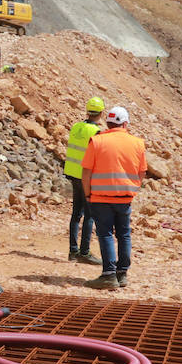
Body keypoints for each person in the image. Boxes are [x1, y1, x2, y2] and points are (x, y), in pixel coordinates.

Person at [81, 106, 146, 289]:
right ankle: (122, 274)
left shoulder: (97, 141)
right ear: (125, 123)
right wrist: (133, 190)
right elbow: (142, 172)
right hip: (125, 197)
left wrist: (87, 194)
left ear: (108, 123)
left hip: (100, 197)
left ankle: (109, 275)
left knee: (105, 234)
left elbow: (86, 172)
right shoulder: (138, 143)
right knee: (124, 234)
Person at [63, 96, 105, 265]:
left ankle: (73, 251)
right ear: (101, 113)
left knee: (76, 213)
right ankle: (85, 252)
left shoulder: (76, 126)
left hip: (72, 173)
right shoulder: (96, 133)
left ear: (87, 111)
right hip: (87, 177)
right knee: (89, 215)